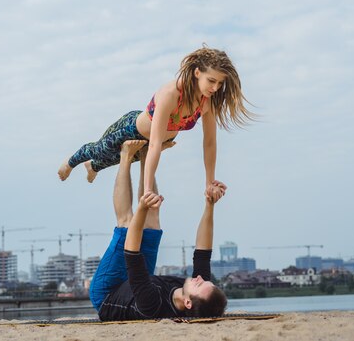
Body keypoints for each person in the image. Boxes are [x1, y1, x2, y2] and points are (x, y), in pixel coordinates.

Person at [58, 46, 254, 202]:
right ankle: (71, 162)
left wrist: (209, 182)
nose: (215, 87)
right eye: (211, 81)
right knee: (99, 151)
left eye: (220, 83)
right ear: (197, 73)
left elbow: (209, 143)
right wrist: (148, 190)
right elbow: (154, 143)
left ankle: (93, 168)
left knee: (117, 160)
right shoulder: (171, 94)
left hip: (154, 142)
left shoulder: (207, 102)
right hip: (130, 129)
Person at [89, 140, 228, 321]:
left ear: (188, 303)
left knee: (126, 226)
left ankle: (126, 155)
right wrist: (210, 204)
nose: (200, 279)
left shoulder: (152, 305)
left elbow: (131, 251)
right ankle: (146, 154)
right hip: (140, 281)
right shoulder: (193, 288)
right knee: (153, 224)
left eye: (200, 285)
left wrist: (141, 207)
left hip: (109, 292)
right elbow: (203, 250)